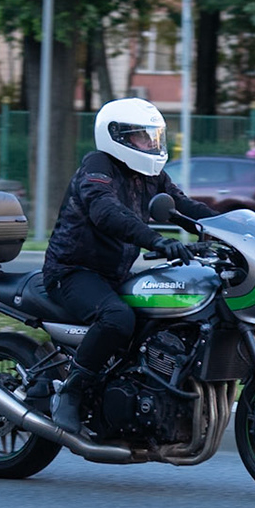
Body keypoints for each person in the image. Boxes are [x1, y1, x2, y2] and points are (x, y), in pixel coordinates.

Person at [41, 98, 216, 434]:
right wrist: (157, 240)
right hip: (72, 272)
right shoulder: (98, 166)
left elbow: (184, 206)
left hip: (114, 275)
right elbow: (105, 211)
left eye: (154, 136)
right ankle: (70, 392)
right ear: (117, 137)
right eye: (142, 136)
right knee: (117, 318)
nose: (151, 144)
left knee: (162, 319)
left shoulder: (152, 176)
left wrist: (234, 226)